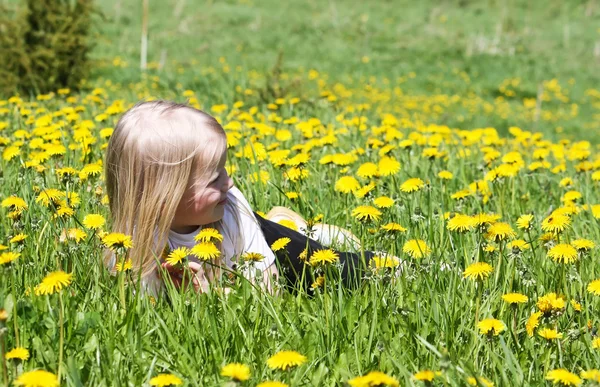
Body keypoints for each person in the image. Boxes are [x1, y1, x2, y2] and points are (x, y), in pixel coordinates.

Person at [103, 100, 380, 297]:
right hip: (238, 249)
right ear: (165, 199)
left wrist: (214, 296)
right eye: (214, 179)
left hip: (263, 243)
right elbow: (145, 307)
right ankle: (283, 223)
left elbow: (271, 291)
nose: (230, 181)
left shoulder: (231, 204)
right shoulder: (134, 246)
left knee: (332, 270)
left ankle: (374, 260)